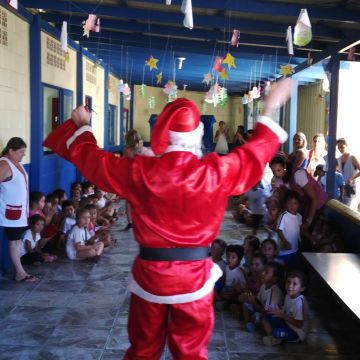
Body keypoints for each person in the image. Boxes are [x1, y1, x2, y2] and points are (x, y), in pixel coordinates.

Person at [43, 79, 292, 359]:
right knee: (191, 353)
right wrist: (269, 108)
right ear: (198, 136)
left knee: (143, 350)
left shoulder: (141, 170)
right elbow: (252, 155)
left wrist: (83, 128)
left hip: (150, 276)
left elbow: (96, 162)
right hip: (194, 278)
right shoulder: (215, 171)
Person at [0, 137, 38, 282]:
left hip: (19, 212)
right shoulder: (4, 164)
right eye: (21, 152)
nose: (23, 155)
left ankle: (19, 272)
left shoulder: (17, 164)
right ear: (11, 151)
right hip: (11, 212)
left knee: (16, 241)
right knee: (15, 241)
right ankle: (20, 273)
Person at [270, 155, 328, 230]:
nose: (276, 174)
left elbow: (314, 198)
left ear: (284, 166)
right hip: (304, 205)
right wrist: (277, 221)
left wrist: (308, 221)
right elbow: (283, 201)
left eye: (278, 170)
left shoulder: (298, 174)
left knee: (307, 230)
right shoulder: (277, 179)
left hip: (317, 203)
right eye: (273, 171)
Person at [261, 270, 309, 346]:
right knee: (266, 318)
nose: (290, 286)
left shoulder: (299, 302)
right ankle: (274, 338)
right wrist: (279, 311)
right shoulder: (288, 296)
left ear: (302, 288)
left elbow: (299, 324)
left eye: (294, 284)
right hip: (287, 323)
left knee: (275, 332)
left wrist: (282, 315)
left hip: (296, 332)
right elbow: (286, 311)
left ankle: (274, 337)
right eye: (288, 282)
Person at [240, 261, 284, 333]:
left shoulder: (274, 291)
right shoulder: (264, 285)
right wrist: (249, 297)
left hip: (270, 317)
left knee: (256, 317)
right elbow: (258, 300)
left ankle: (254, 325)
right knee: (246, 304)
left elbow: (267, 312)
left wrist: (253, 302)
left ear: (274, 279)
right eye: (263, 271)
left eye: (266, 272)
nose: (262, 273)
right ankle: (247, 322)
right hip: (261, 309)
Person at [276, 191, 302, 267]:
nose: (292, 206)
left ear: (298, 205)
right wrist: (285, 242)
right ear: (285, 204)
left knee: (293, 268)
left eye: (295, 203)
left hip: (295, 249)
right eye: (289, 203)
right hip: (284, 251)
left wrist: (301, 240)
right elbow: (279, 230)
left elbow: (299, 229)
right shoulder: (284, 216)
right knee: (282, 269)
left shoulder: (299, 216)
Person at [336, 138, 360, 211]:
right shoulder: (339, 159)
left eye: (342, 147)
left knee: (349, 209)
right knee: (342, 209)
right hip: (342, 188)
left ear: (347, 146)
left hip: (352, 187)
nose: (340, 149)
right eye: (339, 147)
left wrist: (352, 178)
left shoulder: (352, 157)